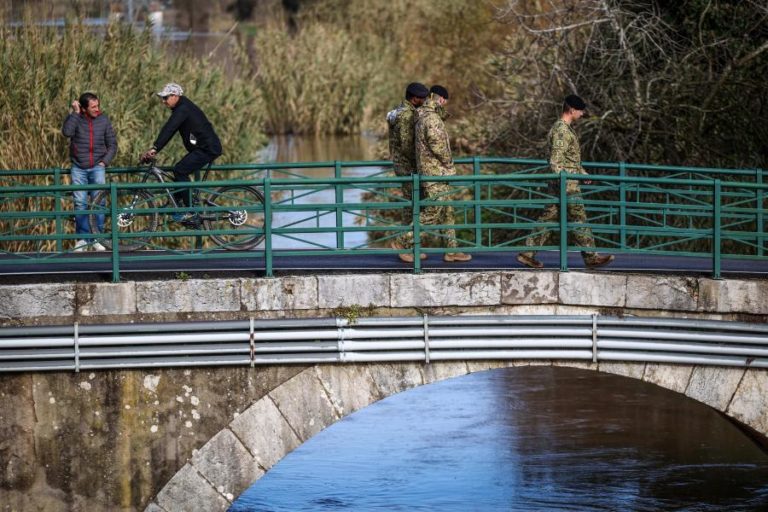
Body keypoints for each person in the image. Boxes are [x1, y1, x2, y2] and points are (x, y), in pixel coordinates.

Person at [516, 94, 614, 269]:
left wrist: (582, 174)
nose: (582, 114)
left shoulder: (564, 128)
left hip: (564, 183)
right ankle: (591, 257)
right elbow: (556, 161)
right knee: (579, 219)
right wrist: (566, 182)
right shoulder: (561, 130)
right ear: (572, 110)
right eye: (580, 111)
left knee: (548, 219)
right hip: (566, 186)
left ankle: (527, 254)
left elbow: (569, 161)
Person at [395, 85, 472, 263]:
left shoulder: (422, 115)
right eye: (445, 101)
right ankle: (402, 241)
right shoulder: (431, 119)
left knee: (447, 213)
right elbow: (439, 146)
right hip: (435, 173)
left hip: (434, 172)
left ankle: (451, 250)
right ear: (441, 99)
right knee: (432, 212)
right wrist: (449, 164)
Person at [141, 83, 222, 222]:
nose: (163, 101)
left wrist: (155, 148)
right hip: (204, 147)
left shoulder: (183, 109)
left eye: (166, 98)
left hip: (207, 149)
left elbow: (169, 129)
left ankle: (190, 211)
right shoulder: (183, 107)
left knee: (179, 170)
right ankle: (180, 202)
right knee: (179, 173)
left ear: (175, 96)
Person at [62, 92, 117, 252]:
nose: (97, 109)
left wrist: (104, 162)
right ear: (84, 108)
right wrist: (75, 113)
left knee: (99, 203)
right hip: (78, 167)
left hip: (97, 167)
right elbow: (67, 132)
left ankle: (97, 238)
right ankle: (82, 240)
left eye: (98, 106)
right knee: (80, 204)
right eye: (93, 107)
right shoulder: (76, 118)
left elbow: (113, 144)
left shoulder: (103, 120)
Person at [387, 82, 429, 260]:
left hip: (402, 165)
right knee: (415, 205)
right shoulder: (406, 115)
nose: (425, 101)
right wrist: (421, 163)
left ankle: (410, 246)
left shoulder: (400, 110)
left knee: (412, 205)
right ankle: (404, 245)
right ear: (415, 98)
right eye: (423, 98)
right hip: (408, 167)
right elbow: (406, 145)